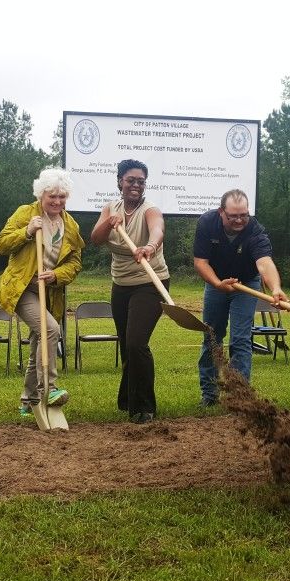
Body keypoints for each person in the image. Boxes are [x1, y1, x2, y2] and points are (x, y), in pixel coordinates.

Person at [0, 168, 84, 416]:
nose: (57, 201)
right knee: (50, 329)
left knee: (39, 341)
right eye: (51, 196)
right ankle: (50, 388)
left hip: (49, 289)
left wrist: (57, 275)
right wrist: (26, 232)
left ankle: (28, 400)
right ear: (41, 195)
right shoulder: (26, 213)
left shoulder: (70, 225)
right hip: (22, 287)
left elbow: (75, 262)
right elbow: (1, 244)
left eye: (62, 196)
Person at [193, 189, 287, 406]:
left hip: (246, 284)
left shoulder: (255, 230)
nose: (239, 220)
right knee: (211, 337)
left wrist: (275, 288)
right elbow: (201, 262)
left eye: (243, 215)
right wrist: (217, 284)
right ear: (221, 212)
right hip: (216, 281)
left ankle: (240, 397)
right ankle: (209, 395)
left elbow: (264, 262)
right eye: (233, 216)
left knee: (240, 339)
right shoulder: (207, 223)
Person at [90, 159, 167, 423]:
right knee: (126, 344)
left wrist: (150, 247)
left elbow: (157, 229)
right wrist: (108, 222)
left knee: (137, 343)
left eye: (141, 181)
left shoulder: (150, 209)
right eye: (131, 180)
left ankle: (145, 407)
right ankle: (127, 400)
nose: (136, 185)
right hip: (121, 286)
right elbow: (96, 239)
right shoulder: (111, 208)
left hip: (150, 283)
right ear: (120, 181)